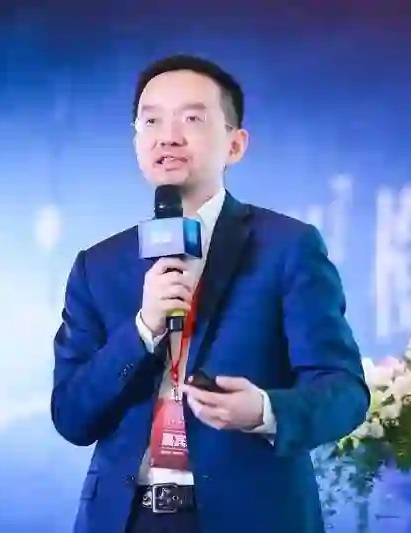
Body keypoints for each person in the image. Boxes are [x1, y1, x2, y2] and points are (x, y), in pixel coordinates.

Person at [51, 54, 370, 533]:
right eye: (151, 121)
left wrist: (265, 411)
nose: (168, 136)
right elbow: (72, 416)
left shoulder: (287, 247)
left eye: (192, 119)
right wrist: (142, 329)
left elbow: (344, 391)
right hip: (126, 519)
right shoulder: (97, 266)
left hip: (250, 517)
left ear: (235, 144)